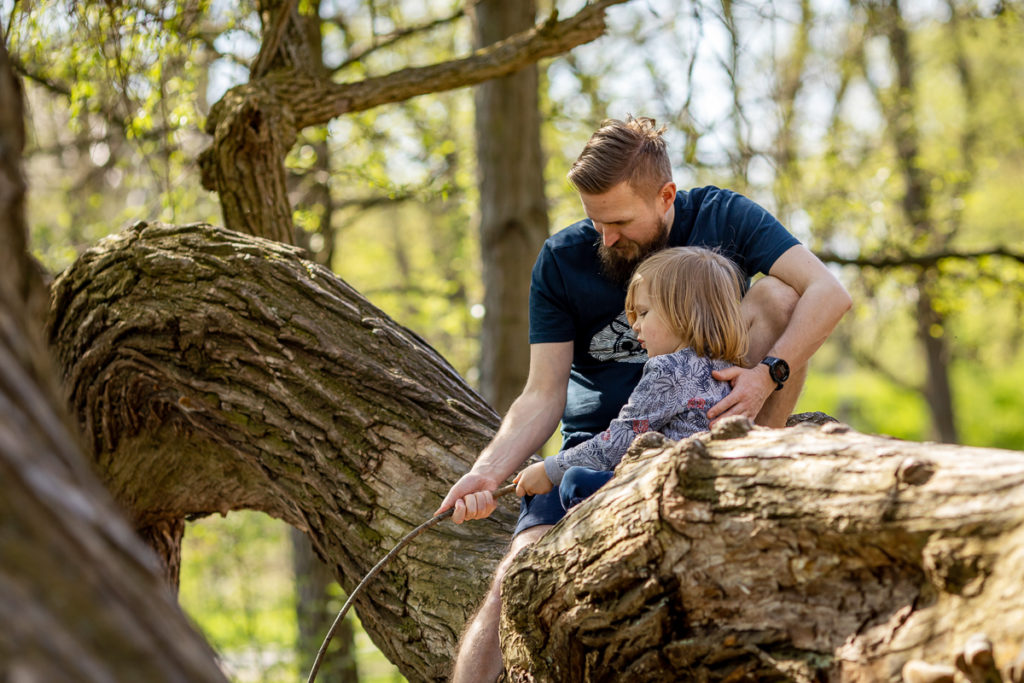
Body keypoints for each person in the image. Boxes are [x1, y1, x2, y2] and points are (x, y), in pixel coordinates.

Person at [437, 116, 851, 683]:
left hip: (705, 437)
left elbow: (831, 292)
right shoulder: (561, 260)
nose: (605, 237)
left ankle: (755, 461)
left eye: (620, 221)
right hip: (596, 450)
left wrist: (765, 376)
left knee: (782, 293)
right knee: (515, 576)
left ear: (666, 197)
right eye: (594, 221)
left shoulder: (725, 216)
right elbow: (541, 394)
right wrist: (488, 474)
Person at [513, 246, 747, 509]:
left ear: (684, 313)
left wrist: (550, 470)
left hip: (671, 490)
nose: (635, 325)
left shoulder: (667, 369)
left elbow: (620, 440)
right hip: (716, 485)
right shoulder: (728, 367)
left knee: (575, 481)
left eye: (644, 313)